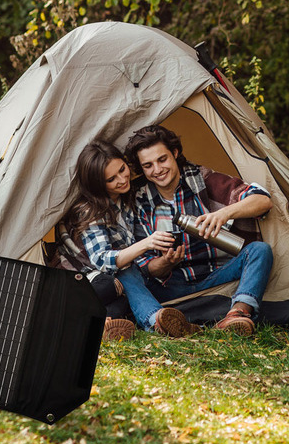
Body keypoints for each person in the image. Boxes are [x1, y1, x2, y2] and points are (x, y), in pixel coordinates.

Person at [124, 125, 274, 336]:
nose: (157, 170)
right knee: (125, 272)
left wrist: (224, 214)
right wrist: (167, 263)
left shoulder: (201, 179)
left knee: (260, 251)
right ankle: (160, 321)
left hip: (216, 276)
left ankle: (237, 315)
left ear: (175, 153)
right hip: (171, 286)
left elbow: (262, 200)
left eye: (162, 159)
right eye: (148, 165)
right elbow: (147, 268)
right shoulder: (139, 200)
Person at [59, 140, 198, 339]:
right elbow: (102, 260)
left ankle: (102, 323)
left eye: (122, 170)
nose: (122, 179)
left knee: (126, 300)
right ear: (99, 184)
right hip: (87, 282)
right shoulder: (90, 210)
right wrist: (147, 243)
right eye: (111, 179)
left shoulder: (128, 197)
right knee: (124, 274)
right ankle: (155, 320)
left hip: (120, 284)